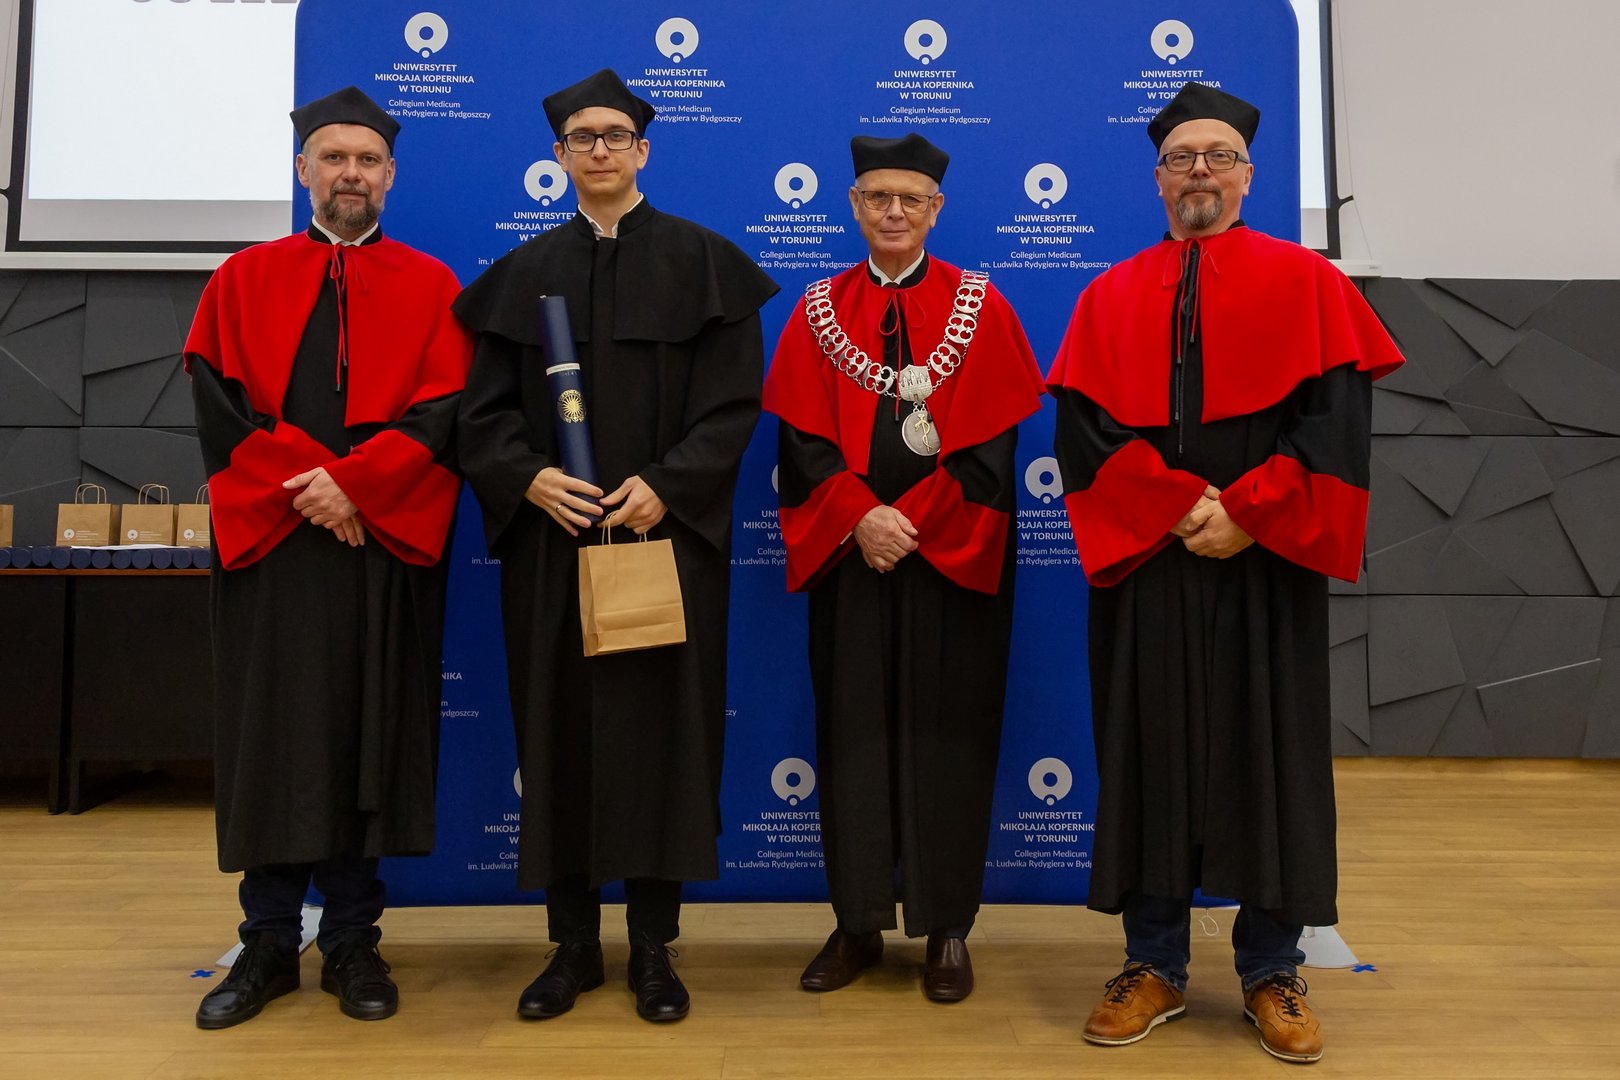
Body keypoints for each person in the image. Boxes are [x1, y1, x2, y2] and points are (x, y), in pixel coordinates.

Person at [1048, 81, 1403, 1062]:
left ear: (1248, 174)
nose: (1199, 170)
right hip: (1152, 560)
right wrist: (1174, 507)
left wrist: (1248, 514)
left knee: (1271, 752)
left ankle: (1271, 969)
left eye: (1218, 156)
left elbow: (1334, 426)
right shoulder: (1109, 295)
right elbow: (1085, 433)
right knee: (1151, 751)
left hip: (1265, 561)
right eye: (1180, 158)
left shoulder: (1311, 284)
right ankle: (1153, 962)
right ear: (1158, 179)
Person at [453, 69, 777, 1024]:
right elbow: (482, 418)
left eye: (616, 135)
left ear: (644, 149)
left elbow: (733, 409)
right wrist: (527, 478)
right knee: (558, 734)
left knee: (661, 740)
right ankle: (571, 947)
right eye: (582, 137)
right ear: (558, 155)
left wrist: (668, 485)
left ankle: (652, 949)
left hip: (663, 542)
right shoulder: (522, 274)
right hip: (554, 547)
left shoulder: (706, 263)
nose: (600, 149)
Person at [184, 85, 470, 1029]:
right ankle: (268, 941)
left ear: (391, 175)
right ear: (303, 168)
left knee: (365, 733)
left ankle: (351, 939)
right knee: (272, 735)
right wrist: (313, 487)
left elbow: (443, 415)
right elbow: (221, 411)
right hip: (275, 548)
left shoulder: (431, 286)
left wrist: (359, 487)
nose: (352, 173)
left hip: (377, 548)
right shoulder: (241, 279)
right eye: (334, 157)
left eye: (368, 160)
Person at [763, 133, 1046, 1003]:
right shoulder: (818, 309)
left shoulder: (980, 306)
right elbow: (800, 444)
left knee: (951, 739)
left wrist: (910, 524)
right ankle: (856, 924)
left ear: (935, 209)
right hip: (851, 559)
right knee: (852, 739)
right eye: (878, 197)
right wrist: (860, 519)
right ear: (854, 206)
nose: (894, 212)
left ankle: (947, 926)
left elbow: (993, 452)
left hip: (951, 561)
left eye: (910, 199)